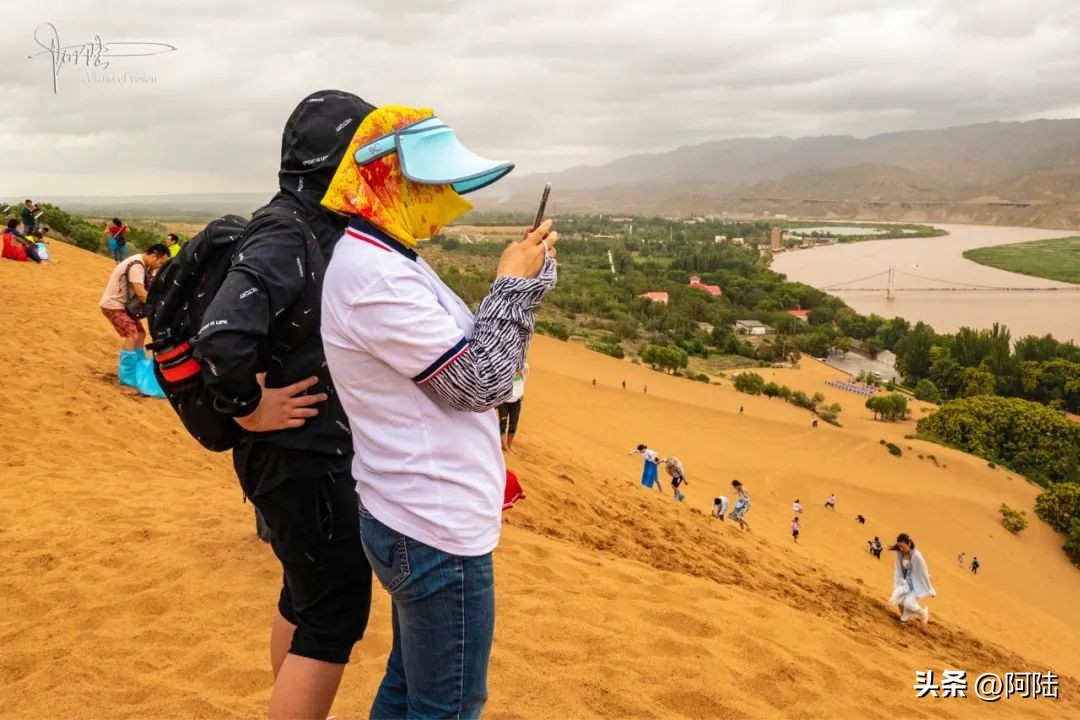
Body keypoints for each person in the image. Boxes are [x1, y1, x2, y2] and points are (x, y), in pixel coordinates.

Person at [319, 102, 552, 719]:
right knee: (449, 704)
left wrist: (522, 293)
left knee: (409, 685)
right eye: (437, 182)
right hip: (432, 528)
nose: (453, 198)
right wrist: (511, 288)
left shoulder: (391, 257)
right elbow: (481, 384)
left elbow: (471, 351)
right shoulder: (378, 279)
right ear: (389, 181)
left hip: (416, 513)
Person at [190, 90, 378, 719]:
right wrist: (248, 407)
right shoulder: (287, 230)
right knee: (333, 614)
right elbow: (222, 337)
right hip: (300, 459)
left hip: (302, 460)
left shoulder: (309, 224)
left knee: (306, 598)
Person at [99, 244, 170, 384]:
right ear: (154, 256)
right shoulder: (137, 266)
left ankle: (140, 365)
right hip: (113, 306)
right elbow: (141, 294)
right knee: (132, 335)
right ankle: (127, 374)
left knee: (141, 334)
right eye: (160, 263)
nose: (159, 266)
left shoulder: (142, 264)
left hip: (122, 306)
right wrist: (158, 308)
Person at [887, 533, 935, 625]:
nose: (901, 549)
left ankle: (923, 613)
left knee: (909, 603)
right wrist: (900, 582)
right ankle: (903, 619)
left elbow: (924, 572)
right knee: (899, 599)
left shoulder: (917, 555)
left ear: (909, 543)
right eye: (899, 546)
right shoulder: (899, 553)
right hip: (906, 582)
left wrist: (929, 588)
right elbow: (899, 567)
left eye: (903, 546)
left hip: (918, 583)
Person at [497, 364, 528, 452]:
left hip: (516, 401)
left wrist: (522, 392)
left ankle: (509, 445)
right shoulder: (504, 367)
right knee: (503, 424)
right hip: (504, 401)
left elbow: (524, 378)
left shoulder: (524, 367)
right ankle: (505, 446)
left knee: (513, 425)